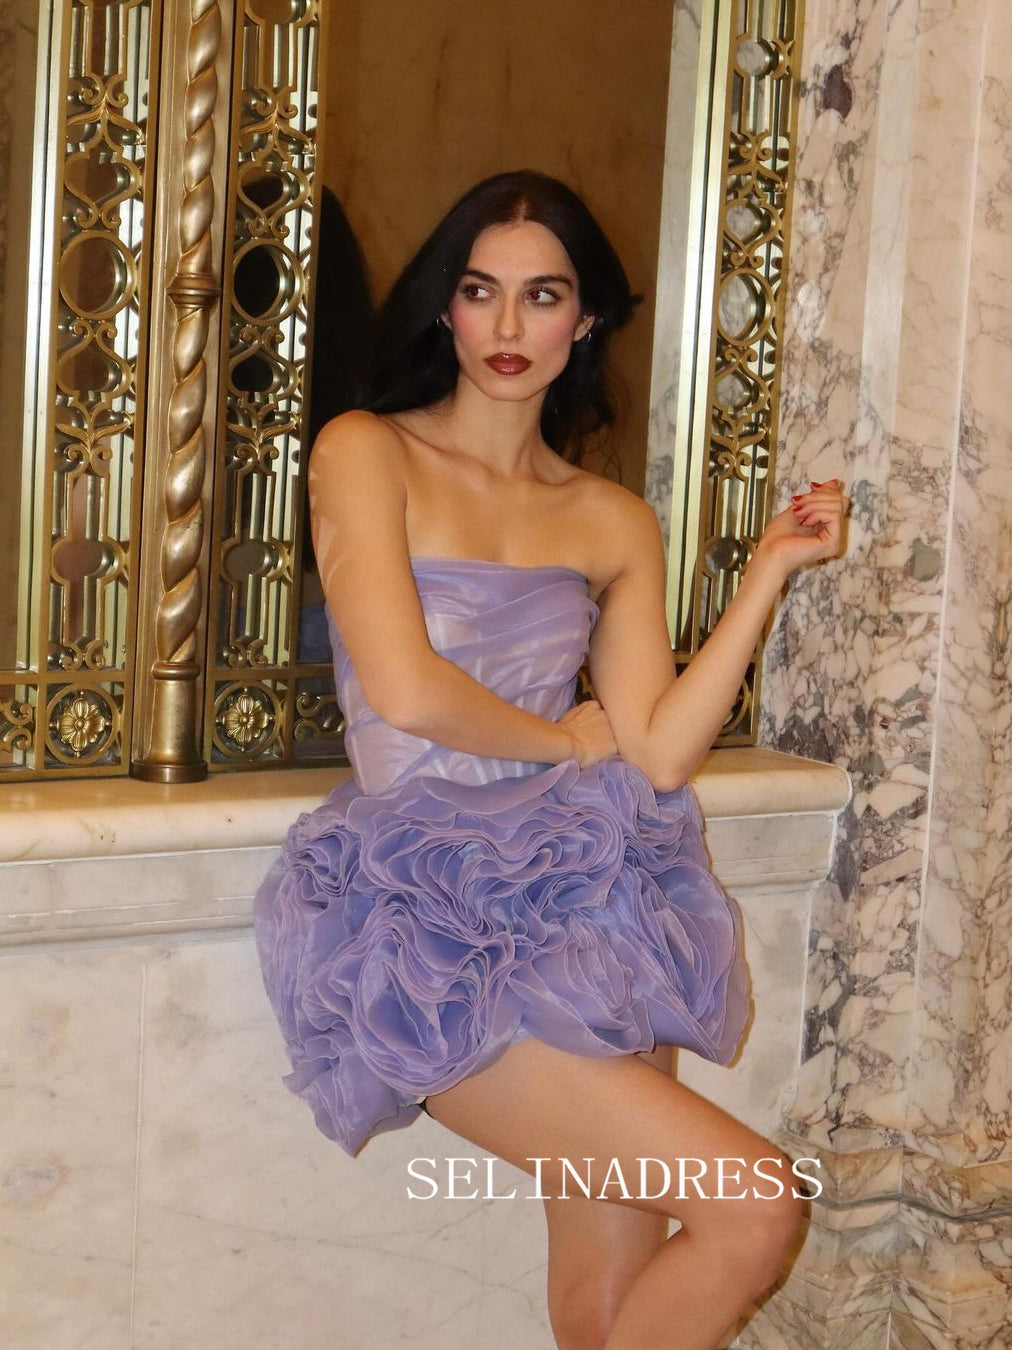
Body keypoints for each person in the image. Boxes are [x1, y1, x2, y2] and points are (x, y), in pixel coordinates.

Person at [253, 169, 848, 1350]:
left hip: (591, 894)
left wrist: (765, 576)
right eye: (481, 291)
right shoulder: (364, 450)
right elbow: (407, 689)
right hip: (428, 914)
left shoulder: (609, 515)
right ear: (445, 306)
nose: (508, 325)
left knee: (606, 1309)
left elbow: (660, 750)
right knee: (757, 1207)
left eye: (542, 295)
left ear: (585, 320)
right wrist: (559, 738)